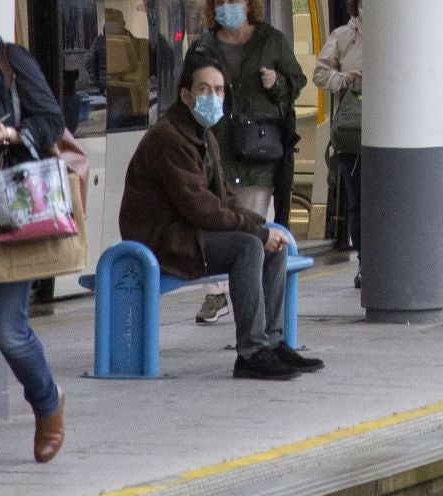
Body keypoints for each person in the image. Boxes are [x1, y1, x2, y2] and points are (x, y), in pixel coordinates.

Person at [118, 57, 323, 380]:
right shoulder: (169, 138)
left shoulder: (204, 135)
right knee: (249, 247)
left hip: (189, 232)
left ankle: (272, 343)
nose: (212, 97)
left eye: (218, 90)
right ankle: (251, 353)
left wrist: (262, 227)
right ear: (185, 95)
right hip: (163, 240)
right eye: (204, 89)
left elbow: (225, 197)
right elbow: (199, 207)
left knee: (273, 244)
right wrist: (256, 234)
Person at [0, 0, 67, 462]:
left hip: (4, 208)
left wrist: (8, 134)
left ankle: (47, 402)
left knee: (7, 328)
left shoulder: (6, 60)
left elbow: (51, 120)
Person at [186, 0, 306, 325]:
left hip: (257, 153)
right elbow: (187, 86)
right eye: (219, 2)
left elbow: (296, 82)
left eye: (233, 1)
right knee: (216, 221)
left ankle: (253, 313)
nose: (226, 8)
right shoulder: (203, 46)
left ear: (248, 3)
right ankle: (217, 294)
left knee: (252, 229)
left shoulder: (271, 40)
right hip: (215, 148)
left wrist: (277, 83)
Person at [313, 0, 363, 288]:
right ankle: (365, 261)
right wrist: (344, 79)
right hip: (352, 132)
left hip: (393, 132)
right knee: (358, 201)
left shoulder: (399, 32)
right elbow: (319, 74)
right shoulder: (343, 36)